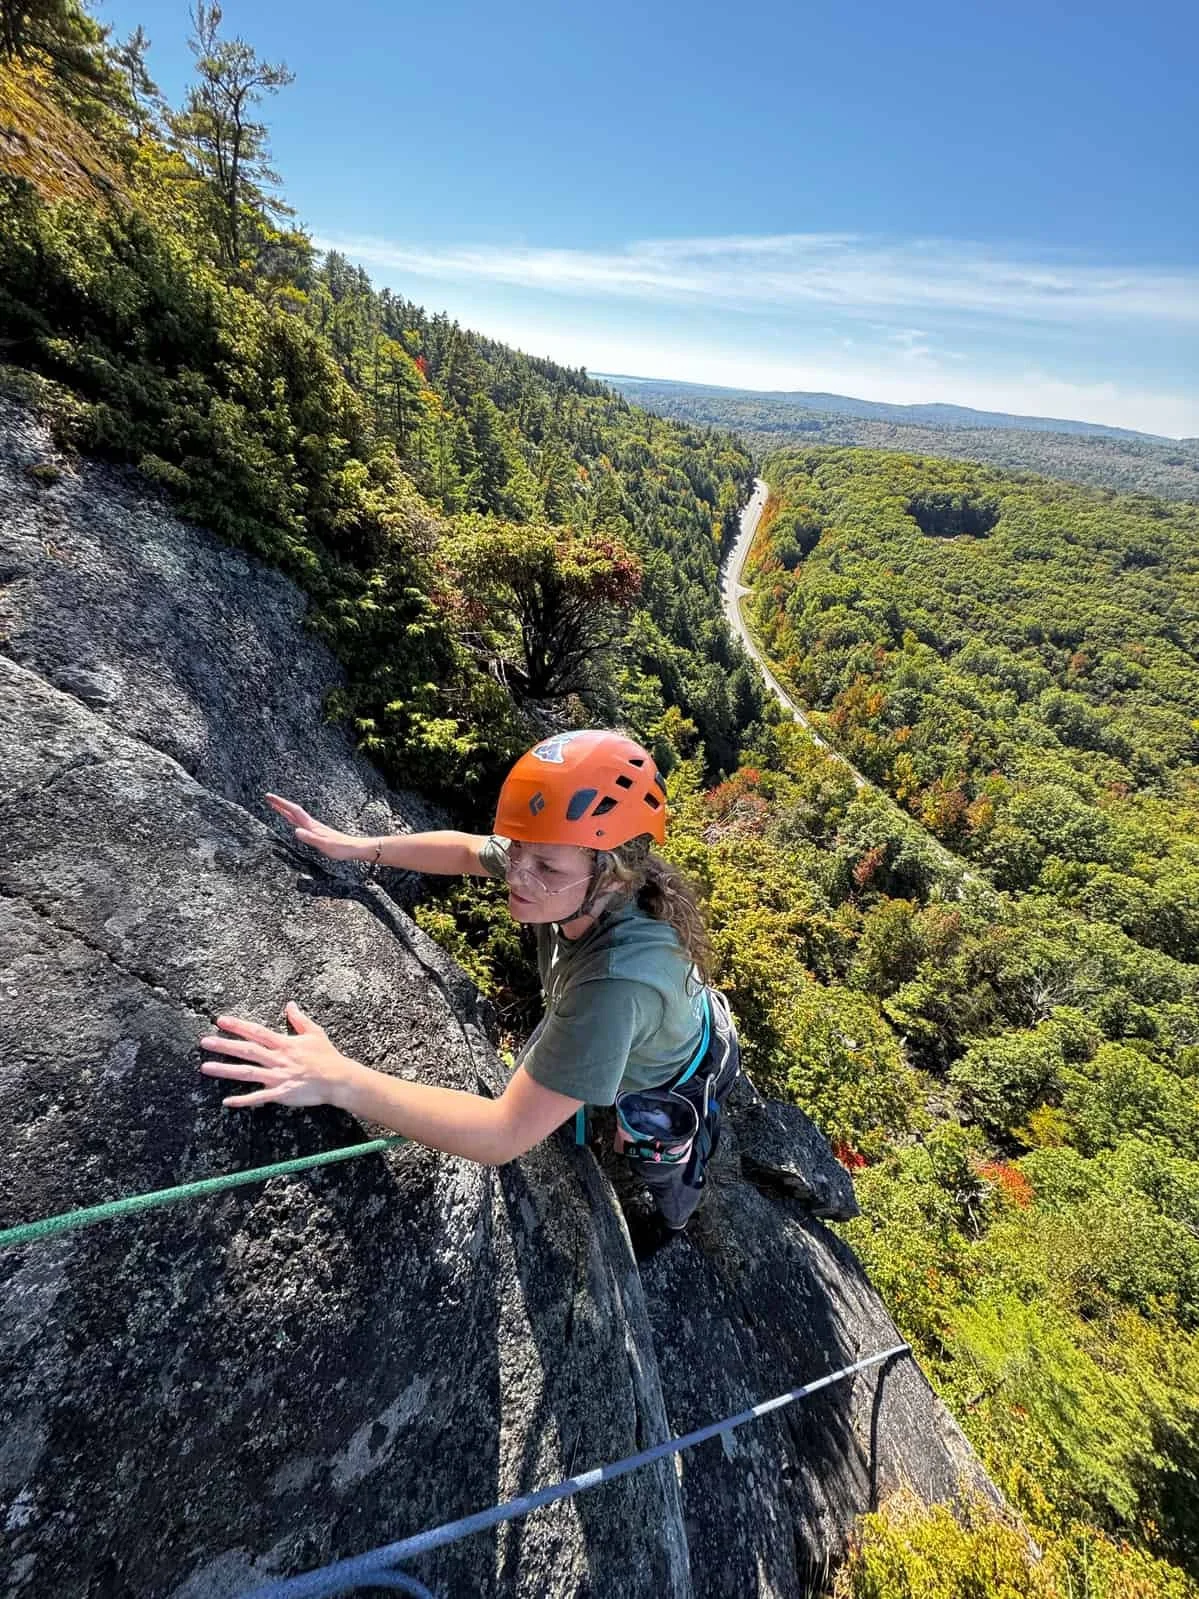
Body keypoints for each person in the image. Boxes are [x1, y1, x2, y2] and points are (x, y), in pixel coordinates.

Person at [199, 729, 740, 1237]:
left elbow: (501, 1135)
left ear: (613, 873)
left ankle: (674, 1217)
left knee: (661, 1167)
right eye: (517, 849)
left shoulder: (614, 987)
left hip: (668, 1076)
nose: (518, 876)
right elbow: (465, 850)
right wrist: (362, 848)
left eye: (545, 868)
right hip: (650, 1021)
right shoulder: (573, 868)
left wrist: (336, 1078)